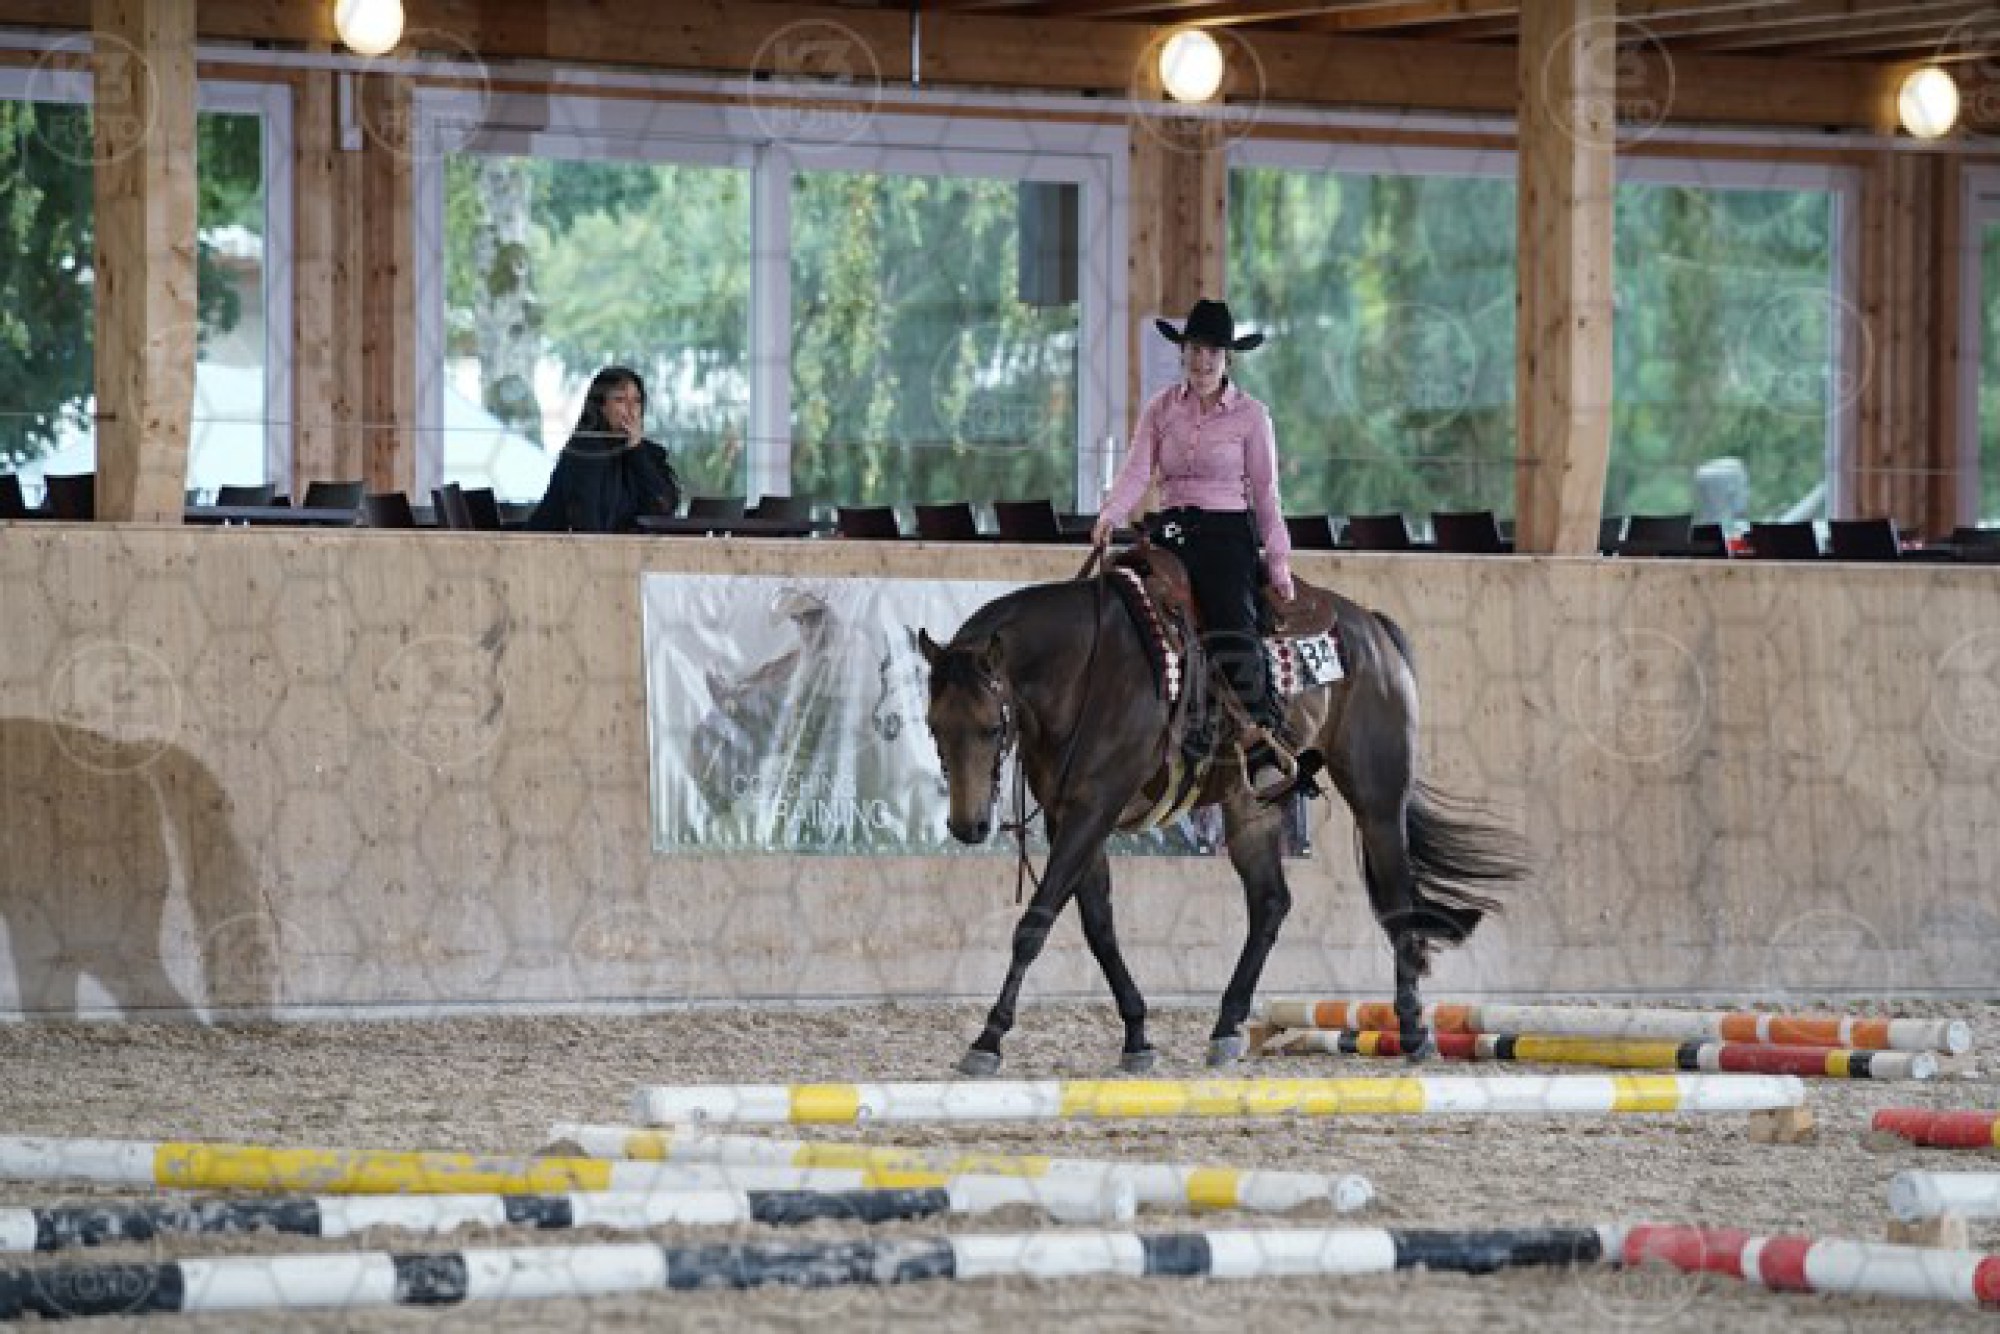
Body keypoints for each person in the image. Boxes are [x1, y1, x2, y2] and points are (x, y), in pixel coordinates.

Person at [1091, 298, 1296, 802]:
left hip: (1226, 534)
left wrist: (1278, 564)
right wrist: (1110, 515)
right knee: (1126, 599)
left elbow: (1266, 494)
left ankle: (1262, 739)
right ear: (1183, 352)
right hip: (1171, 529)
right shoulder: (1161, 408)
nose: (1202, 361)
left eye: (1212, 353)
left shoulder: (1252, 417)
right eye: (1195, 350)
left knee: (1232, 623)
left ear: (1228, 358)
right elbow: (1137, 471)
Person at [527, 366, 681, 533]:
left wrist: (637, 452)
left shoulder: (649, 454)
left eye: (637, 401)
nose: (631, 410)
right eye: (620, 400)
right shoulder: (584, 451)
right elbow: (588, 521)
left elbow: (664, 507)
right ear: (601, 407)